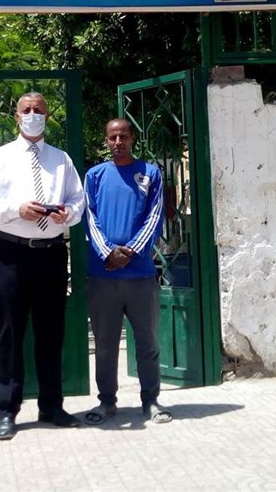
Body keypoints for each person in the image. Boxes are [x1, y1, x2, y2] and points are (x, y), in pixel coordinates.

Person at [0, 92, 86, 441]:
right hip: (13, 253)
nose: (33, 114)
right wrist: (14, 210)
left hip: (52, 253)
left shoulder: (61, 159)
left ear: (47, 117)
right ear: (17, 117)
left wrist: (69, 214)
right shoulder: (0, 158)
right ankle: (7, 410)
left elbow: (77, 199)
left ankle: (51, 406)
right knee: (10, 332)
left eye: (39, 110)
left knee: (51, 332)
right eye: (27, 110)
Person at [83, 118, 172, 425]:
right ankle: (106, 402)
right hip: (103, 276)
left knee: (147, 344)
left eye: (123, 136)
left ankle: (151, 401)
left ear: (132, 137)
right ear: (106, 140)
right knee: (105, 346)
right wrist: (108, 251)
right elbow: (89, 218)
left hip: (141, 276)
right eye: (112, 137)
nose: (118, 141)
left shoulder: (150, 173)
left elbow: (155, 216)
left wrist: (130, 251)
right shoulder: (95, 175)